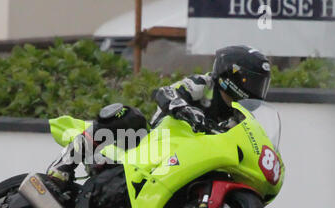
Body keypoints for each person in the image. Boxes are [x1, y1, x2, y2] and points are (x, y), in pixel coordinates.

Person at [47, 45, 271, 188]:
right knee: (127, 115)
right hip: (153, 142)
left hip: (187, 160)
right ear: (231, 76)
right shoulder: (204, 84)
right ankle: (61, 167)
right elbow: (165, 92)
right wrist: (182, 108)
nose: (256, 90)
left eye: (261, 85)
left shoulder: (239, 118)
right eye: (252, 82)